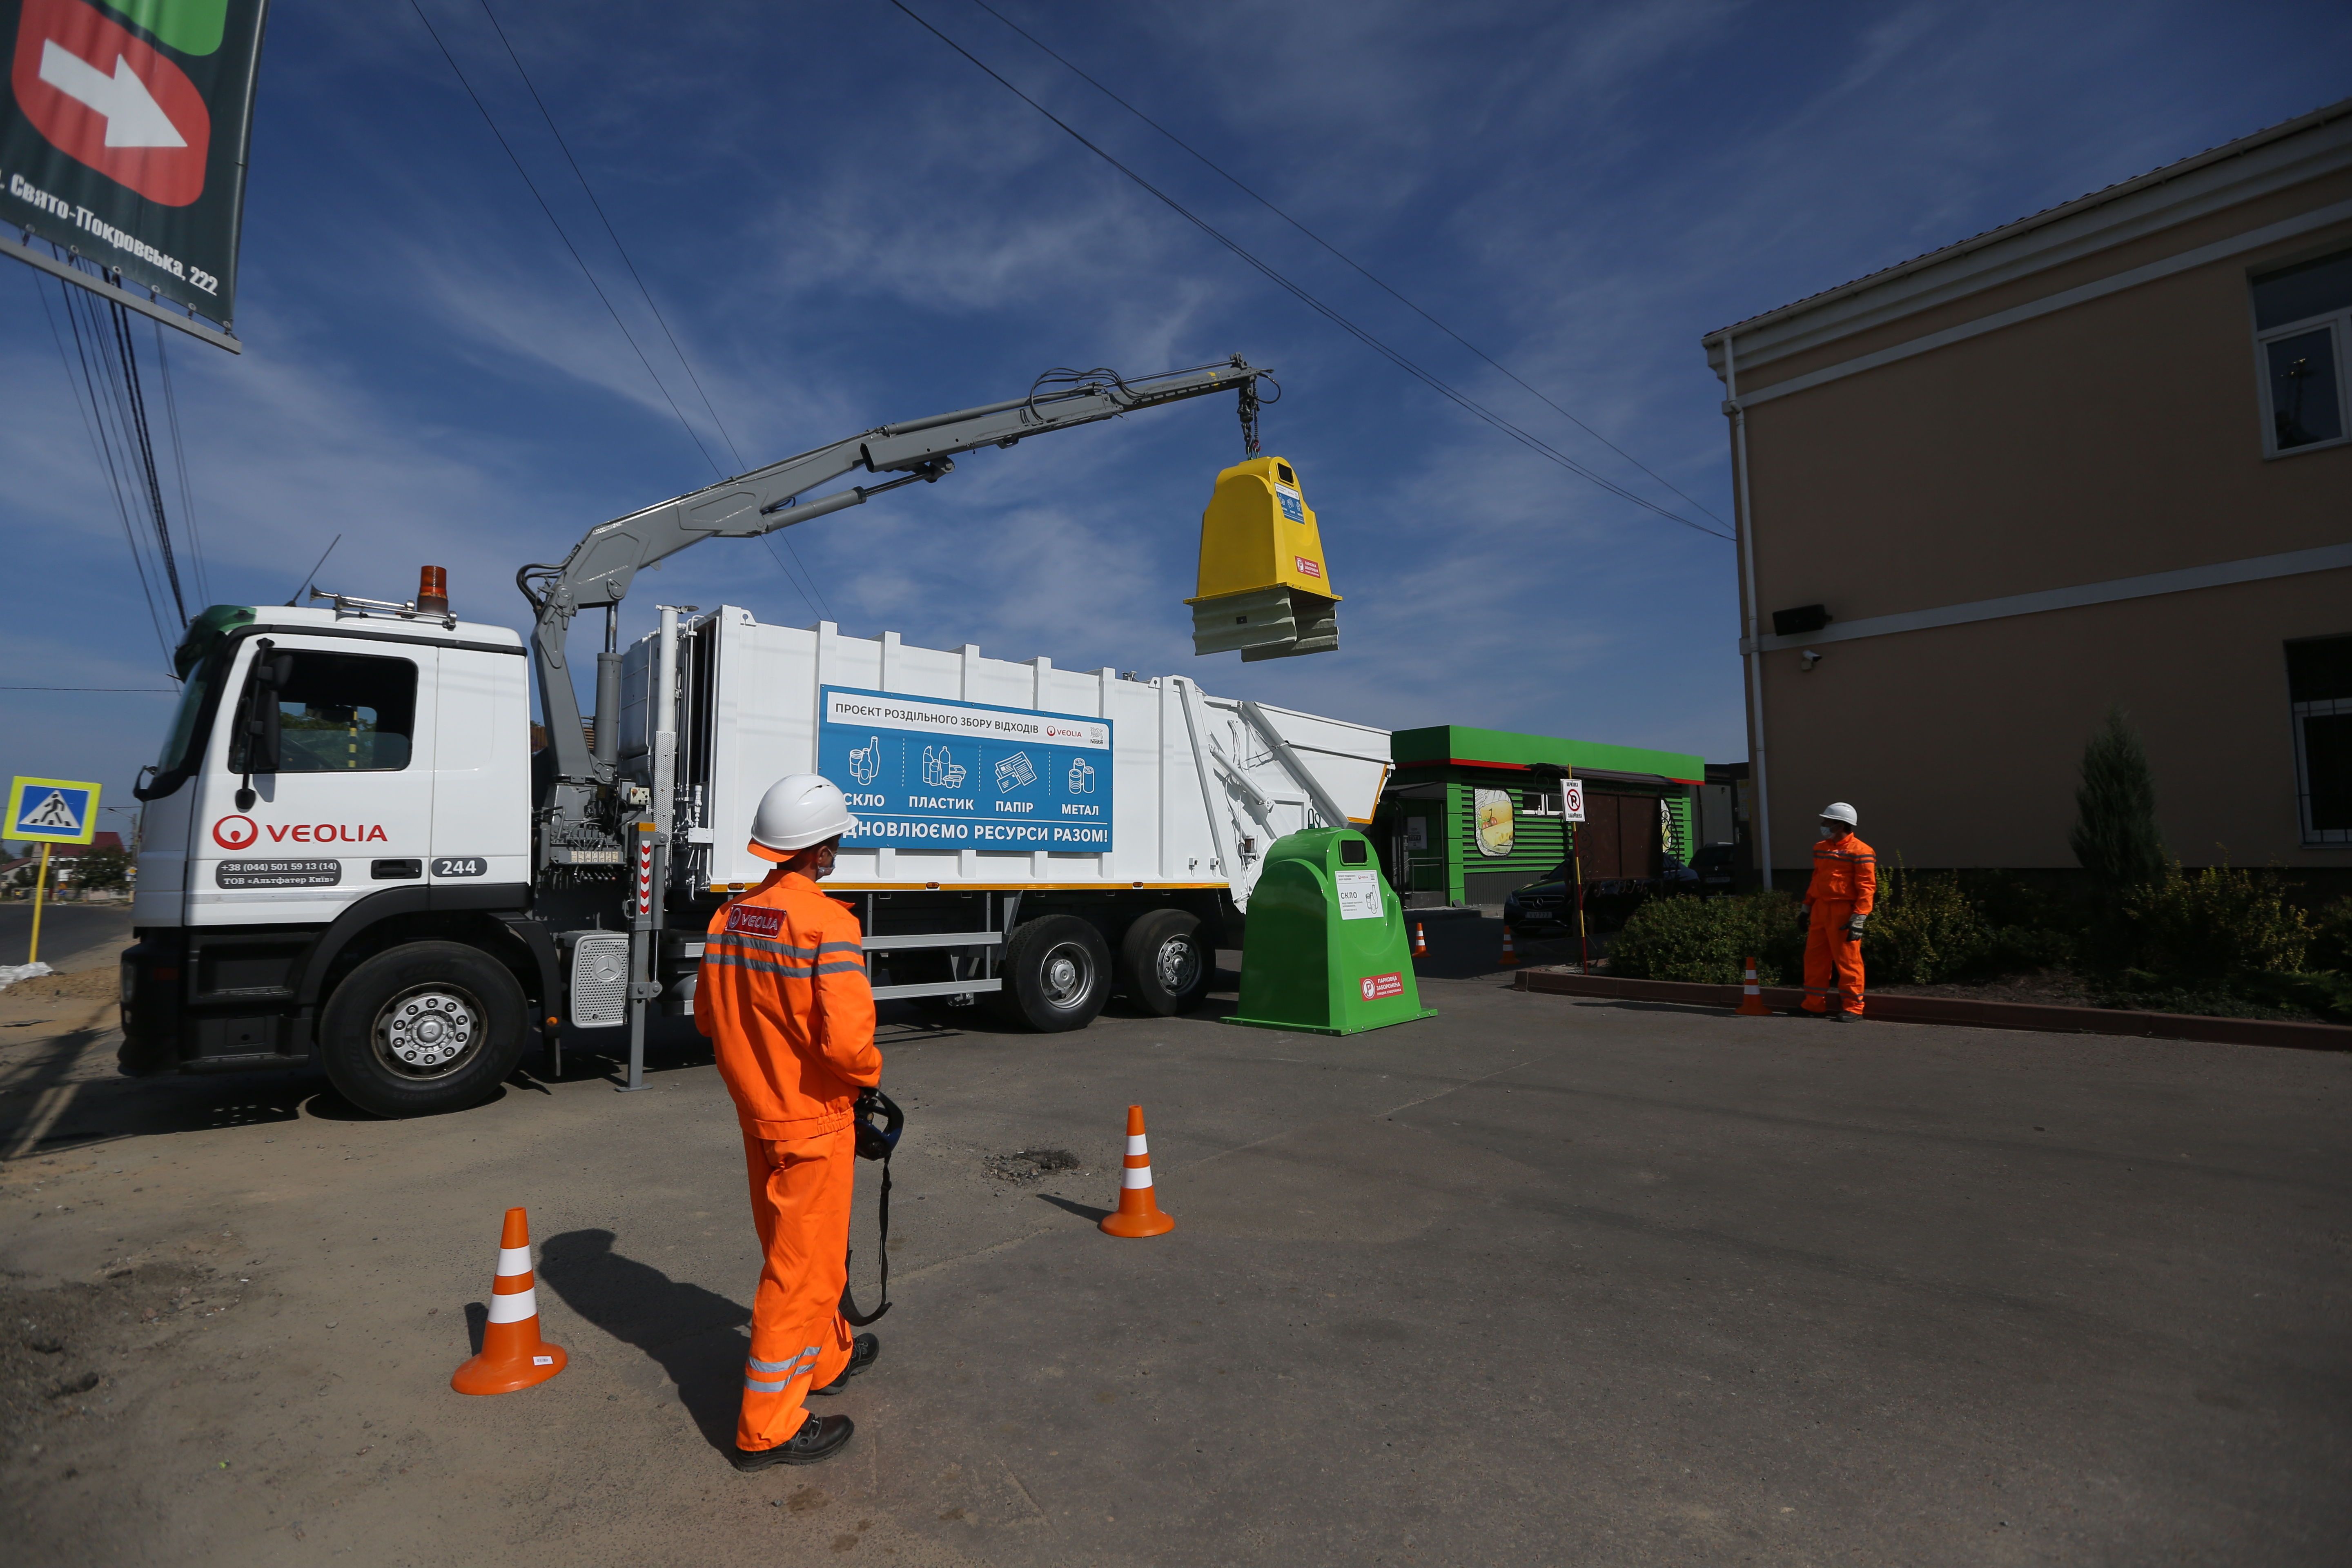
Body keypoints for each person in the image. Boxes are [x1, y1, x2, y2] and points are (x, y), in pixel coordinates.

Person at [696, 773, 882, 1470]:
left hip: (759, 1115)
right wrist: (868, 1079)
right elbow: (845, 1043)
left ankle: (828, 1354)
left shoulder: (731, 917)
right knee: (799, 1269)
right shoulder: (828, 922)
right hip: (813, 1121)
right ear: (825, 847)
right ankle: (768, 1426)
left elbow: (709, 1018)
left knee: (805, 1253)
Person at [1797, 802, 1875, 1019]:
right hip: (1822, 909)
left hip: (1844, 911)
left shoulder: (1861, 851)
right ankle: (1813, 1005)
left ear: (1841, 825)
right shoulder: (1821, 848)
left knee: (1848, 961)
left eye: (1827, 821)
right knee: (1815, 959)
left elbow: (1867, 887)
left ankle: (1853, 1008)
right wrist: (1806, 908)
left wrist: (1859, 918)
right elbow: (1817, 880)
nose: (1823, 824)